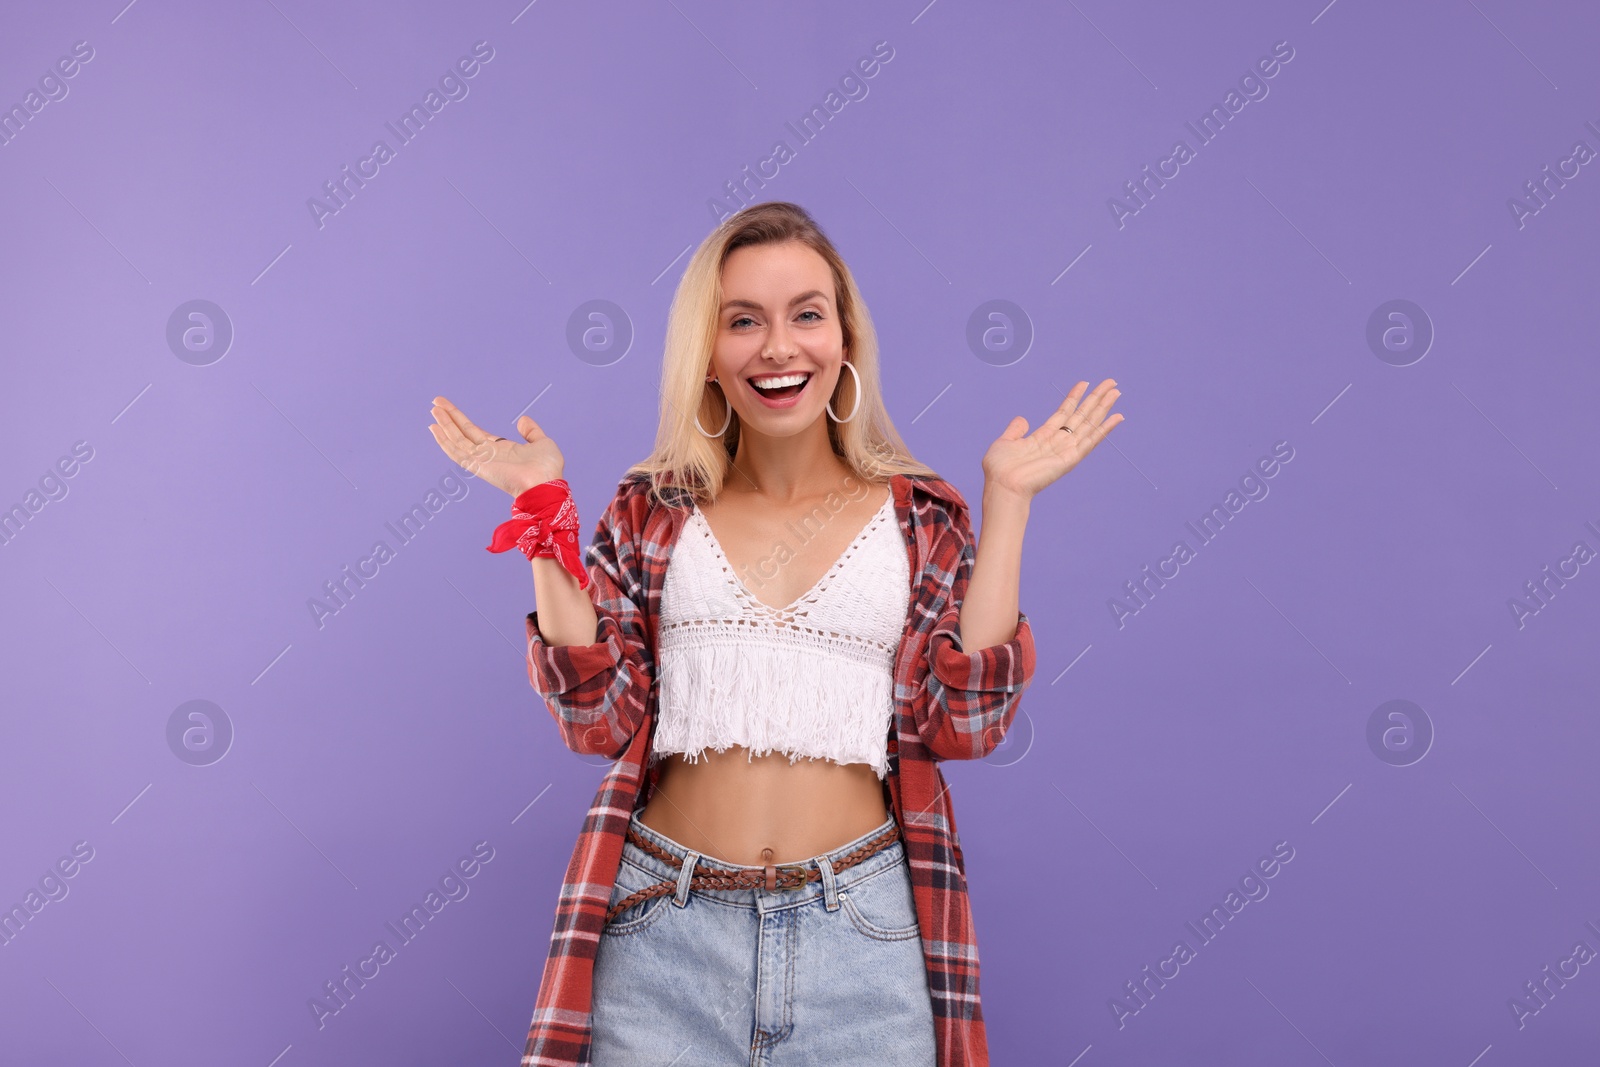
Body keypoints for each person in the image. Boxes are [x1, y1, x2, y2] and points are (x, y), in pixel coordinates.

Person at [428, 201, 1123, 1066]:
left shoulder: (920, 518)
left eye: (806, 314)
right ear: (707, 356)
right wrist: (540, 509)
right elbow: (596, 718)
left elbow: (964, 724)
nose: (778, 347)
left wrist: (1008, 501)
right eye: (742, 321)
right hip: (661, 932)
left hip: (862, 936)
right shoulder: (654, 507)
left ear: (846, 341)